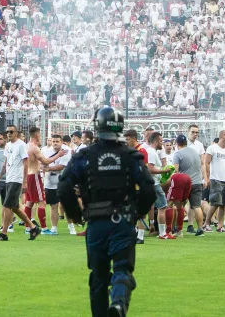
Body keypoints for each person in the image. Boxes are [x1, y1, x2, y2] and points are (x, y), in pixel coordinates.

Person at [59, 107, 155, 317]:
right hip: (122, 221)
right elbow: (149, 188)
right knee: (122, 269)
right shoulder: (131, 156)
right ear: (120, 127)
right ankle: (119, 303)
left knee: (98, 275)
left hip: (95, 222)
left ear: (97, 127)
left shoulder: (84, 156)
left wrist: (76, 214)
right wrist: (136, 213)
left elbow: (64, 185)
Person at [0, 125, 41, 241]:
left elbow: (25, 163)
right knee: (15, 208)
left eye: (11, 131)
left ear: (16, 133)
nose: (9, 133)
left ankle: (3, 233)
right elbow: (6, 163)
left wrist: (24, 182)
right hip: (9, 178)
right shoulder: (8, 145)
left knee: (6, 205)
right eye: (7, 131)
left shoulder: (21, 145)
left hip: (16, 179)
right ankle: (33, 228)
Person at [171, 134, 205, 235]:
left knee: (179, 206)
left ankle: (178, 229)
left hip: (185, 183)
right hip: (197, 182)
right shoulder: (194, 151)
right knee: (196, 206)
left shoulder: (178, 154)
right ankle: (200, 229)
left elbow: (175, 171)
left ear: (177, 144)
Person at [41, 133, 73, 235]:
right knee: (53, 206)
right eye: (53, 141)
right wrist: (44, 167)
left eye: (57, 142)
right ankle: (54, 228)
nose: (55, 143)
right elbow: (43, 163)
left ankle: (71, 226)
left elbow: (62, 166)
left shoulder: (66, 150)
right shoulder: (46, 151)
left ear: (61, 142)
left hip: (64, 181)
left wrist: (48, 168)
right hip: (49, 181)